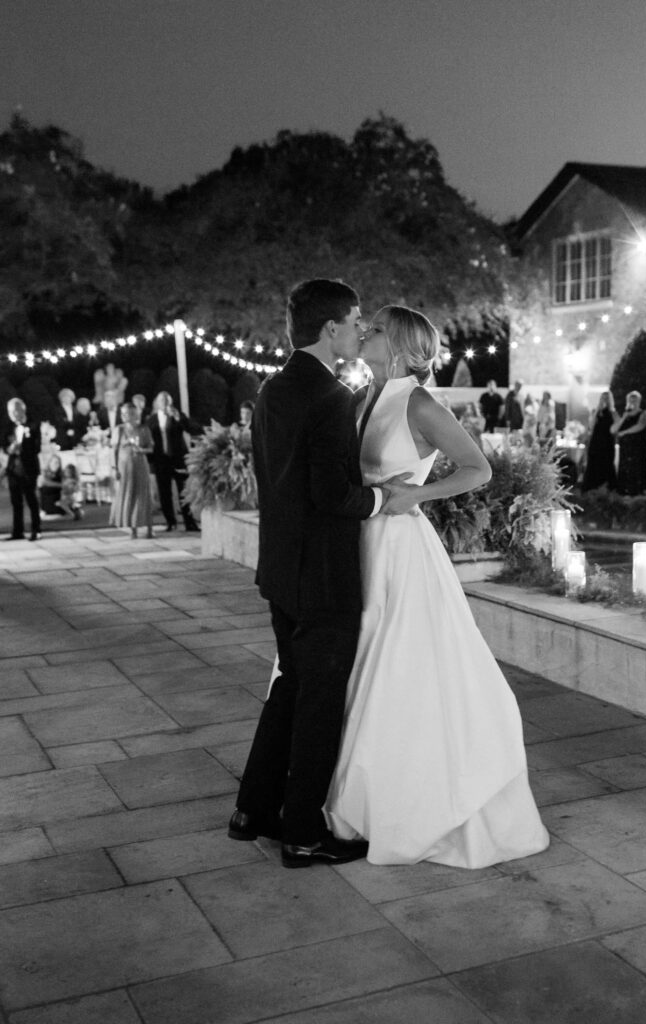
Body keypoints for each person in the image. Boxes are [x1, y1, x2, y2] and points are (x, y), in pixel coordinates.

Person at [326, 305, 549, 868]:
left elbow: (478, 469)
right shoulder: (362, 396)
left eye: (375, 328)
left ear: (398, 343)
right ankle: (355, 796)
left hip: (400, 544)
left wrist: (417, 495)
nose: (365, 333)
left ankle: (409, 803)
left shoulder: (419, 403)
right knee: (358, 660)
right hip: (360, 543)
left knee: (402, 665)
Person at [227, 278, 413, 869]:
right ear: (330, 328)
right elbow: (334, 494)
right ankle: (303, 835)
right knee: (318, 705)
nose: (362, 328)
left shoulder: (272, 390)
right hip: (324, 577)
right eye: (356, 319)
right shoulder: (331, 397)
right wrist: (386, 499)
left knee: (288, 689)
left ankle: (251, 811)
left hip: (279, 569)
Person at [146, 392, 200, 532]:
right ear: (157, 403)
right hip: (161, 460)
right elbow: (148, 441)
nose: (164, 403)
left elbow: (192, 429)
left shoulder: (177, 416)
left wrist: (178, 418)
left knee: (184, 491)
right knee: (164, 493)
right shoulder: (151, 420)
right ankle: (170, 521)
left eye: (167, 400)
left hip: (178, 459)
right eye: (162, 400)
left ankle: (189, 522)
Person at [109, 402, 154, 539]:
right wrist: (114, 468)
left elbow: (151, 448)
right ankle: (133, 529)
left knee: (143, 494)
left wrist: (142, 450)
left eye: (128, 413)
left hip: (140, 463)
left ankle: (149, 529)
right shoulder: (119, 430)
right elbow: (114, 450)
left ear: (135, 414)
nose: (125, 416)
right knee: (129, 494)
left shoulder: (143, 429)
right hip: (124, 466)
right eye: (123, 413)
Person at [2, 398, 42, 541]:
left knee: (31, 499)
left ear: (21, 410)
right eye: (9, 412)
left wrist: (23, 448)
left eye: (13, 411)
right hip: (14, 469)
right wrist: (10, 449)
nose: (11, 415)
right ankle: (17, 531)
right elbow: (4, 445)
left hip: (29, 467)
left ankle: (36, 529)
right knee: (15, 501)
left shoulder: (33, 425)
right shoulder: (9, 427)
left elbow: (37, 448)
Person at [612, 390, 646, 496]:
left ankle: (638, 492)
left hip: (638, 446)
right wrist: (624, 417)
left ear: (639, 401)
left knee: (638, 469)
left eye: (635, 400)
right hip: (626, 448)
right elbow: (614, 430)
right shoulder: (625, 414)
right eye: (630, 400)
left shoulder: (644, 413)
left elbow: (640, 426)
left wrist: (625, 432)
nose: (632, 402)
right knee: (625, 469)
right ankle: (623, 491)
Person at [582, 391, 618, 492]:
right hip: (596, 441)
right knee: (593, 463)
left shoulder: (613, 413)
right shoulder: (596, 411)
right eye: (603, 398)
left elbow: (616, 427)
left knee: (606, 463)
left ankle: (607, 487)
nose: (604, 400)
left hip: (607, 442)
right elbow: (591, 426)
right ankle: (591, 487)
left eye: (607, 398)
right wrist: (598, 410)